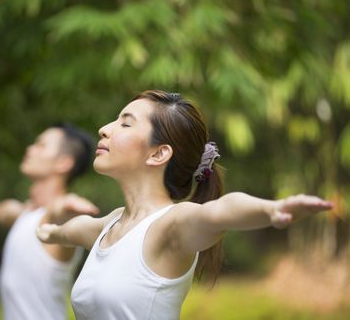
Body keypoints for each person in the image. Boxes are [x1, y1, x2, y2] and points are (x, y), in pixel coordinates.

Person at [37, 90, 334, 320]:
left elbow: (220, 212)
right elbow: (77, 230)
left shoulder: (171, 225)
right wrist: (50, 232)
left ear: (158, 154)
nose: (104, 128)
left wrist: (271, 209)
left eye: (125, 123)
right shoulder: (113, 224)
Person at [0, 123, 99, 320]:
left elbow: (60, 214)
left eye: (41, 145)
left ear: (63, 163)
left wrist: (68, 206)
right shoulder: (25, 214)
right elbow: (1, 211)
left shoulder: (56, 221)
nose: (30, 149)